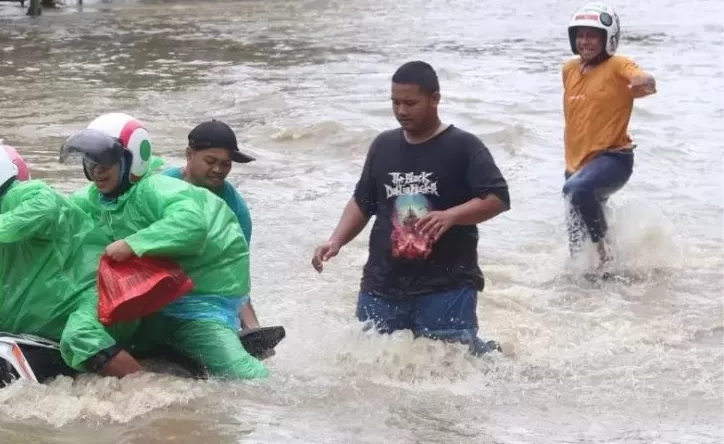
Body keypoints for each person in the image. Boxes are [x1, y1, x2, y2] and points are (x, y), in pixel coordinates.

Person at [311, 61, 510, 354]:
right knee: (369, 365)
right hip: (382, 284)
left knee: (451, 369)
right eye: (395, 102)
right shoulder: (383, 145)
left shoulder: (464, 147)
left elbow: (497, 198)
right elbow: (362, 201)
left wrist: (452, 215)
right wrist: (336, 240)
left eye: (410, 103)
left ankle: (496, 359)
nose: (401, 110)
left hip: (447, 285)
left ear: (434, 99)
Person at [62, 113, 269, 380]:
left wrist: (132, 244)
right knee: (83, 334)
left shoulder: (160, 190)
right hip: (151, 299)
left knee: (248, 377)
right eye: (92, 161)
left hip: (198, 305)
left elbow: (228, 262)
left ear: (131, 161)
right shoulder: (137, 188)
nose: (98, 170)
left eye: (225, 164)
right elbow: (63, 211)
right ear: (189, 155)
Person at [0, 137, 144, 378]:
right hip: (53, 315)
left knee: (80, 336)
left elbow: (47, 206)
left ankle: (144, 388)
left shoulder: (21, 196)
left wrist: (2, 225)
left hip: (93, 294)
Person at [562, 3, 656, 267]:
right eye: (580, 35)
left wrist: (644, 82)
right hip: (576, 166)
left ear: (608, 38)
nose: (585, 41)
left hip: (613, 159)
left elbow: (643, 78)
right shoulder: (569, 70)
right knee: (578, 250)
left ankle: (606, 253)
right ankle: (599, 282)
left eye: (592, 36)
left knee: (578, 189)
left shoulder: (618, 64)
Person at [157, 120, 261, 329]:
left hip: (207, 289)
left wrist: (254, 329)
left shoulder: (236, 210)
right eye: (210, 161)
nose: (218, 170)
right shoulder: (160, 187)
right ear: (189, 155)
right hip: (161, 278)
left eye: (225, 164)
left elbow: (235, 274)